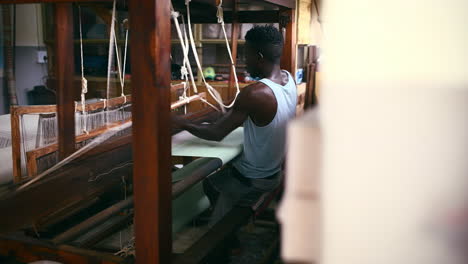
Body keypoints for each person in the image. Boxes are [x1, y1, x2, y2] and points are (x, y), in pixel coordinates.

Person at [172, 25, 297, 225]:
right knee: (210, 179)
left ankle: (225, 238)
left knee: (209, 190)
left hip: (254, 178)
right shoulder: (287, 79)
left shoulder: (255, 93)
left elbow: (215, 134)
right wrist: (219, 115)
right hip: (274, 170)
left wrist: (179, 122)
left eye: (245, 55)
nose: (242, 61)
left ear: (259, 56)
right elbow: (248, 116)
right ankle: (219, 216)